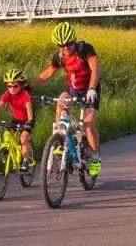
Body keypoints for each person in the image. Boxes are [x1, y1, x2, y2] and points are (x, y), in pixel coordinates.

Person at [29, 22, 102, 176]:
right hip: (73, 89)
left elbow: (95, 68)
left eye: (68, 44)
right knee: (61, 102)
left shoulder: (84, 50)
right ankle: (60, 138)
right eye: (62, 46)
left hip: (90, 89)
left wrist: (91, 89)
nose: (66, 48)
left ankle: (95, 157)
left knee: (88, 125)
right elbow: (48, 72)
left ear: (74, 41)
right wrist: (29, 87)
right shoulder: (60, 56)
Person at [0, 68, 36, 171]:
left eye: (15, 86)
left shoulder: (24, 95)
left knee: (23, 139)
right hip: (16, 119)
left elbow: (29, 108)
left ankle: (26, 161)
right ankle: (8, 153)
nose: (12, 89)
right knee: (7, 135)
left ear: (21, 85)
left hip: (27, 119)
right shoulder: (8, 94)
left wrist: (30, 121)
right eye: (9, 86)